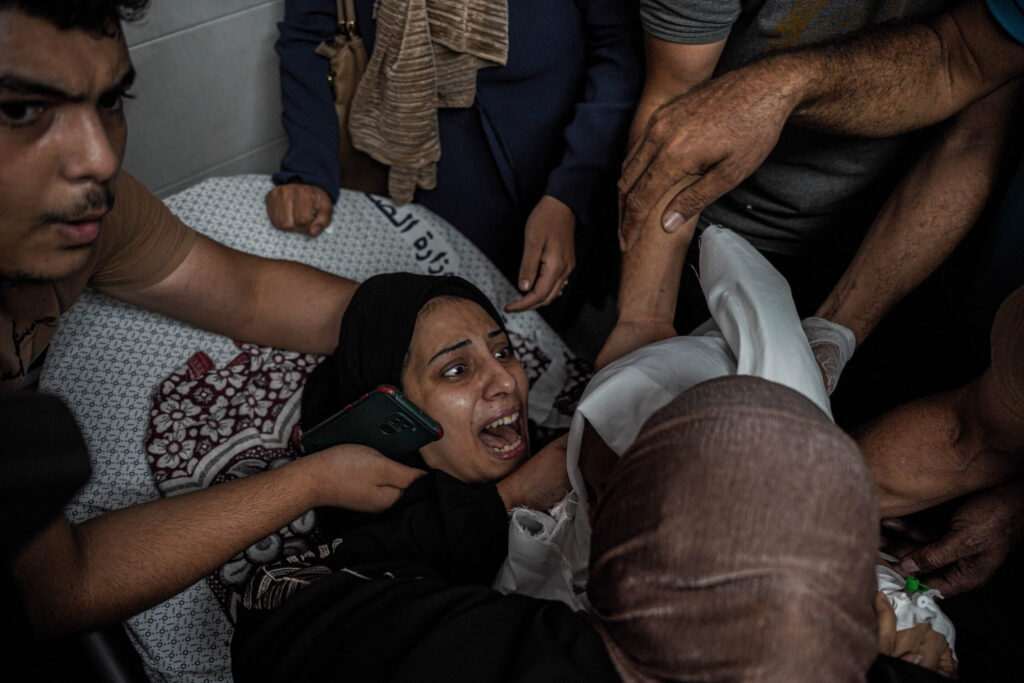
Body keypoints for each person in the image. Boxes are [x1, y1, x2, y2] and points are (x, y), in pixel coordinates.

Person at [1, 0, 424, 636]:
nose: (100, 159)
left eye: (110, 102)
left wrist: (425, 319)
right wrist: (310, 482)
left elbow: (247, 293)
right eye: (21, 111)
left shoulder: (88, 210)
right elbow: (63, 585)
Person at [231, 271, 884, 682]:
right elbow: (275, 613)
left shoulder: (595, 445)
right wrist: (510, 497)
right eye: (456, 370)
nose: (505, 380)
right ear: (389, 413)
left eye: (504, 349)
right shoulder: (367, 564)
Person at [614, 0, 1024, 596]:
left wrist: (729, 525)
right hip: (738, 225)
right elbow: (959, 58)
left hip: (885, 246)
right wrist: (642, 316)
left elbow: (974, 434)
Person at [599, 0, 1022, 380]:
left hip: (884, 238)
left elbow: (971, 132)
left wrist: (839, 329)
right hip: (712, 228)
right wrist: (644, 315)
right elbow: (676, 99)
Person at [267, 0, 642, 315]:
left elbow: (618, 47)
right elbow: (308, 37)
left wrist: (570, 192)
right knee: (457, 314)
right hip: (428, 169)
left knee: (556, 312)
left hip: (568, 150)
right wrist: (308, 170)